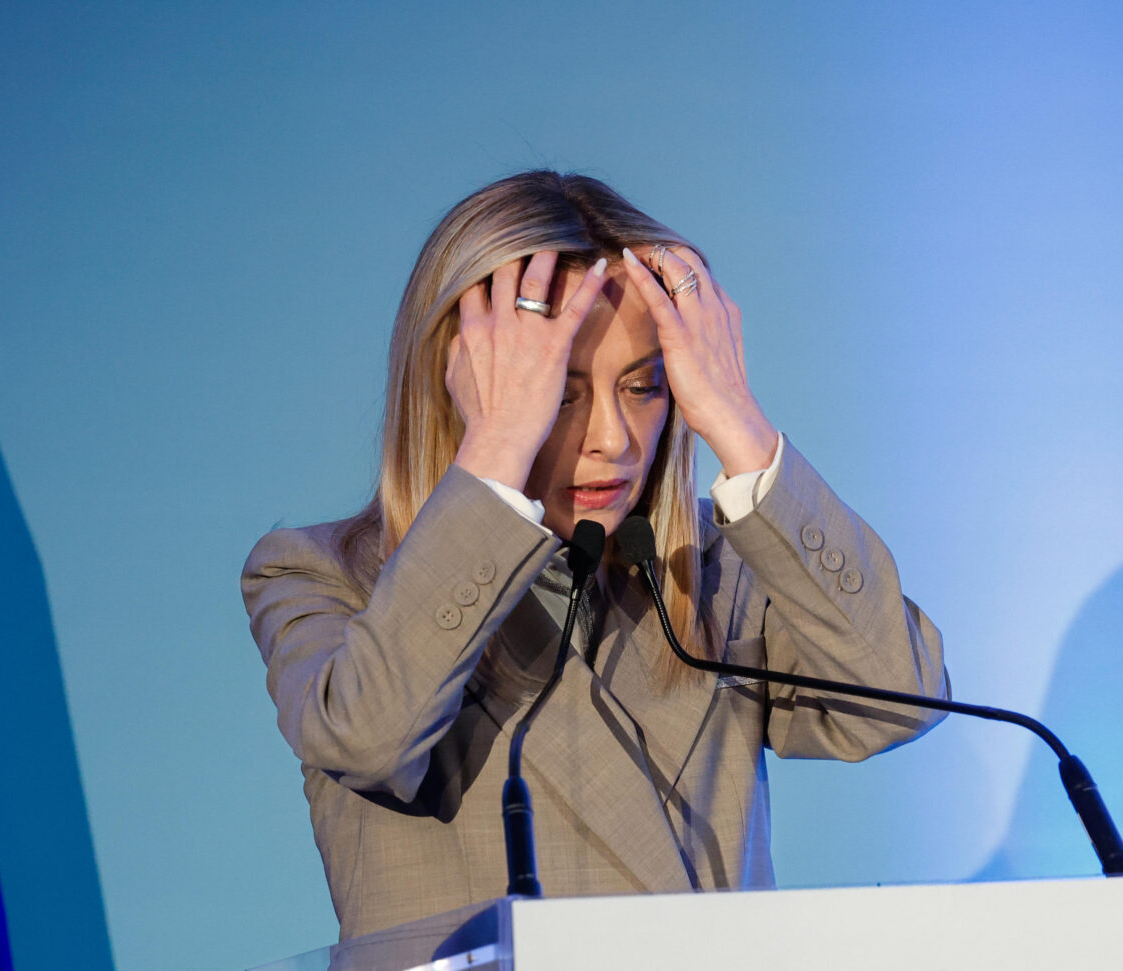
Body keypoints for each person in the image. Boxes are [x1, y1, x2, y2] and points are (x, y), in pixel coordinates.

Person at [241, 170, 949, 941]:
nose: (614, 440)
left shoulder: (709, 570)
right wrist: (499, 447)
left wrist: (736, 419)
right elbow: (368, 739)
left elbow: (899, 696)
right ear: (463, 384)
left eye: (645, 387)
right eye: (562, 392)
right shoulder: (323, 575)